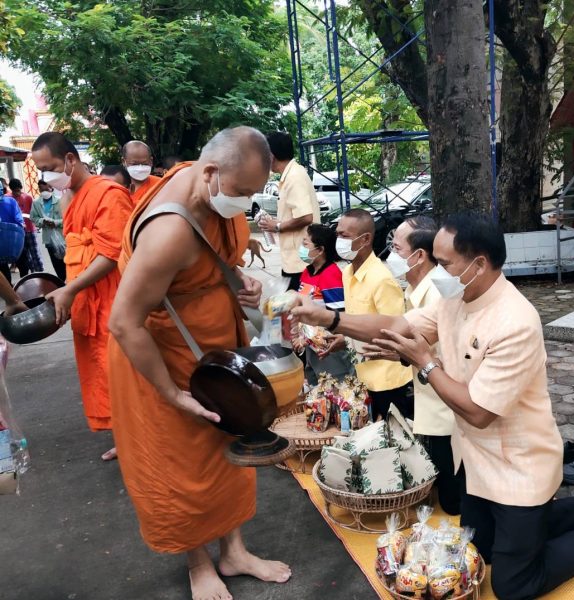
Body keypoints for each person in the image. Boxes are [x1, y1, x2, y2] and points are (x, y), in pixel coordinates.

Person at [293, 213, 574, 599]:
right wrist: (330, 318)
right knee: (480, 551)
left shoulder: (516, 321)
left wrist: (424, 362)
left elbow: (479, 413)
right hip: (476, 461)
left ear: (479, 264)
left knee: (513, 584)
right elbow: (396, 325)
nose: (435, 270)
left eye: (444, 263)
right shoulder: (455, 297)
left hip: (520, 465)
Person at [107, 126, 291, 600]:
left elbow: (211, 265)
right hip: (160, 357)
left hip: (215, 348)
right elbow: (125, 322)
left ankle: (233, 551)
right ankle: (198, 563)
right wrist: (171, 393)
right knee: (180, 464)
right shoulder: (168, 231)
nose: (249, 203)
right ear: (210, 173)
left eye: (256, 192)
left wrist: (241, 283)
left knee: (230, 445)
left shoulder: (208, 186)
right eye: (245, 192)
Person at [31, 131, 134, 462]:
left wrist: (71, 288)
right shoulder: (72, 196)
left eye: (49, 168)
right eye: (40, 170)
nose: (45, 177)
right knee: (102, 373)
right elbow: (75, 245)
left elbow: (111, 252)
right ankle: (126, 437)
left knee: (124, 373)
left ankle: (142, 439)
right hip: (86, 299)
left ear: (71, 160)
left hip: (113, 299)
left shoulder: (108, 193)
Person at [371, 215, 460, 514]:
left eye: (396, 248)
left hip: (446, 410)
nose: (390, 256)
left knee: (452, 500)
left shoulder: (438, 294)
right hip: (430, 403)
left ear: (419, 255)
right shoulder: (414, 289)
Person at [329, 208, 413, 421]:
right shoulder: (348, 273)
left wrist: (350, 339)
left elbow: (395, 331)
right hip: (363, 372)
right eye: (337, 234)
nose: (338, 240)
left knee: (393, 441)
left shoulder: (381, 279)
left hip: (388, 377)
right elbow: (357, 320)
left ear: (365, 239)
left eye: (344, 236)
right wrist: (344, 338)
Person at [257, 132, 319, 291]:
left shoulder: (294, 177)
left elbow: (305, 217)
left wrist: (277, 226)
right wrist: (275, 222)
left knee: (297, 307)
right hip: (295, 259)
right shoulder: (290, 175)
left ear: (271, 156)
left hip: (300, 260)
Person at [296, 223, 353, 384]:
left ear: (320, 250)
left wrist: (307, 338)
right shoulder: (307, 272)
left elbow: (337, 319)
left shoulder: (331, 275)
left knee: (336, 388)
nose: (301, 247)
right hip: (312, 345)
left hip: (329, 347)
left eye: (305, 244)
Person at [30, 180, 67, 281]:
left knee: (68, 262)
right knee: (57, 264)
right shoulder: (36, 203)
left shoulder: (60, 201)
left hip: (63, 238)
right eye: (41, 189)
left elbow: (68, 218)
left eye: (45, 188)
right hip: (49, 240)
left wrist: (55, 222)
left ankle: (71, 282)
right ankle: (62, 282)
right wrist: (42, 221)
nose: (43, 191)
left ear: (51, 187)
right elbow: (33, 217)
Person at [9, 178, 44, 277]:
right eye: (15, 191)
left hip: (30, 229)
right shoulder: (9, 199)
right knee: (24, 256)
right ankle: (32, 276)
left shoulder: (28, 197)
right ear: (11, 190)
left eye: (19, 190)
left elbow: (34, 213)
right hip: (18, 233)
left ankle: (41, 274)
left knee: (35, 253)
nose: (18, 193)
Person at [121, 140, 160, 204]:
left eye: (145, 164)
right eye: (134, 164)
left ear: (151, 161)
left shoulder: (160, 184)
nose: (140, 168)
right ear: (123, 161)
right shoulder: (117, 185)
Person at [0, 187, 24, 283]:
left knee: (3, 267)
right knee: (20, 261)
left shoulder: (10, 201)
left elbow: (19, 218)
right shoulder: (10, 201)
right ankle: (23, 284)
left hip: (10, 236)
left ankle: (11, 286)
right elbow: (19, 218)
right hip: (15, 237)